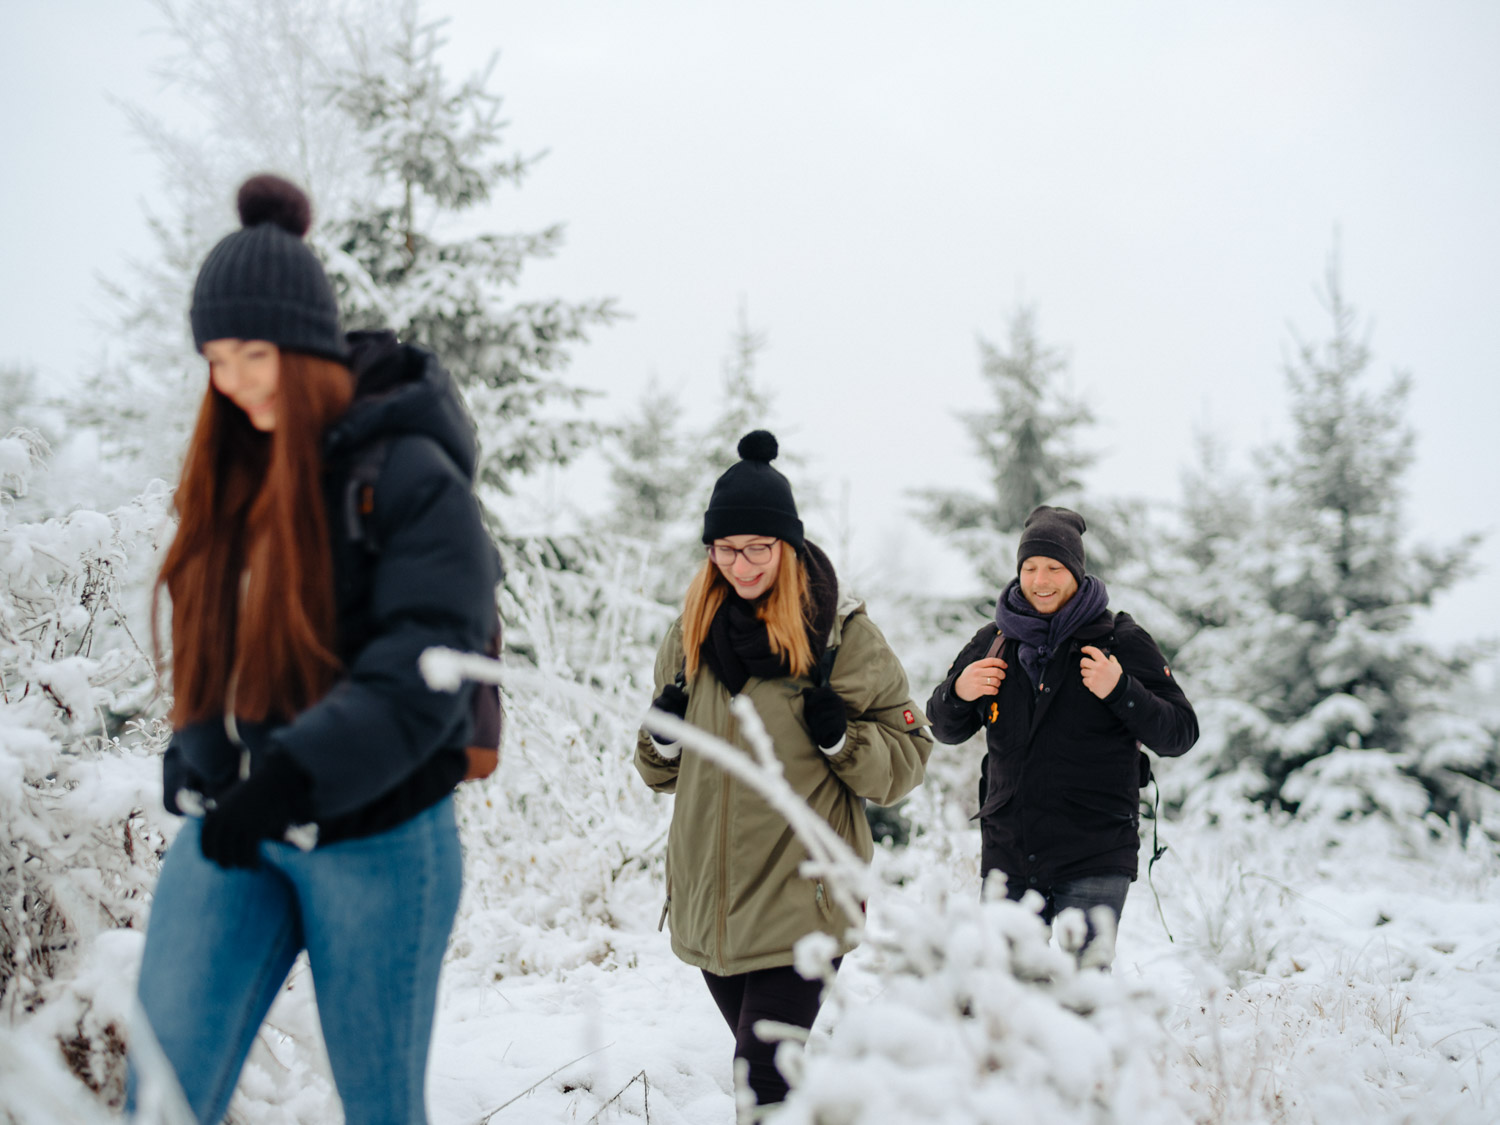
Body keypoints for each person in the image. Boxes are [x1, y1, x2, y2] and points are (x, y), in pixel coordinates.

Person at [131, 174, 500, 1125]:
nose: (234, 379)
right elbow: (221, 633)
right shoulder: (237, 472)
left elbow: (426, 661)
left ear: (307, 348)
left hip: (381, 837)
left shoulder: (409, 473)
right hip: (243, 825)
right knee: (162, 1095)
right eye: (215, 358)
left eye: (254, 352)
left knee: (379, 1110)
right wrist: (201, 746)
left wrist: (296, 773)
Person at [634, 431, 932, 1108]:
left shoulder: (840, 635)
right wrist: (664, 738)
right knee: (770, 1075)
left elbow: (908, 758)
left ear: (787, 547)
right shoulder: (689, 634)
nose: (741, 565)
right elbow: (660, 774)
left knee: (760, 1077)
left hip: (806, 898)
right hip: (713, 902)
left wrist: (841, 740)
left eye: (758, 548)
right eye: (726, 548)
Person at [924, 505, 1198, 966]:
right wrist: (958, 691)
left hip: (1094, 851)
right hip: (1010, 851)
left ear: (1076, 571)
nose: (1040, 579)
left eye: (1053, 567)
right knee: (1006, 996)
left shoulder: (1119, 641)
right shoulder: (993, 641)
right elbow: (944, 728)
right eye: (1030, 568)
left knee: (1083, 997)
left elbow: (1180, 732)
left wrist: (1121, 690)